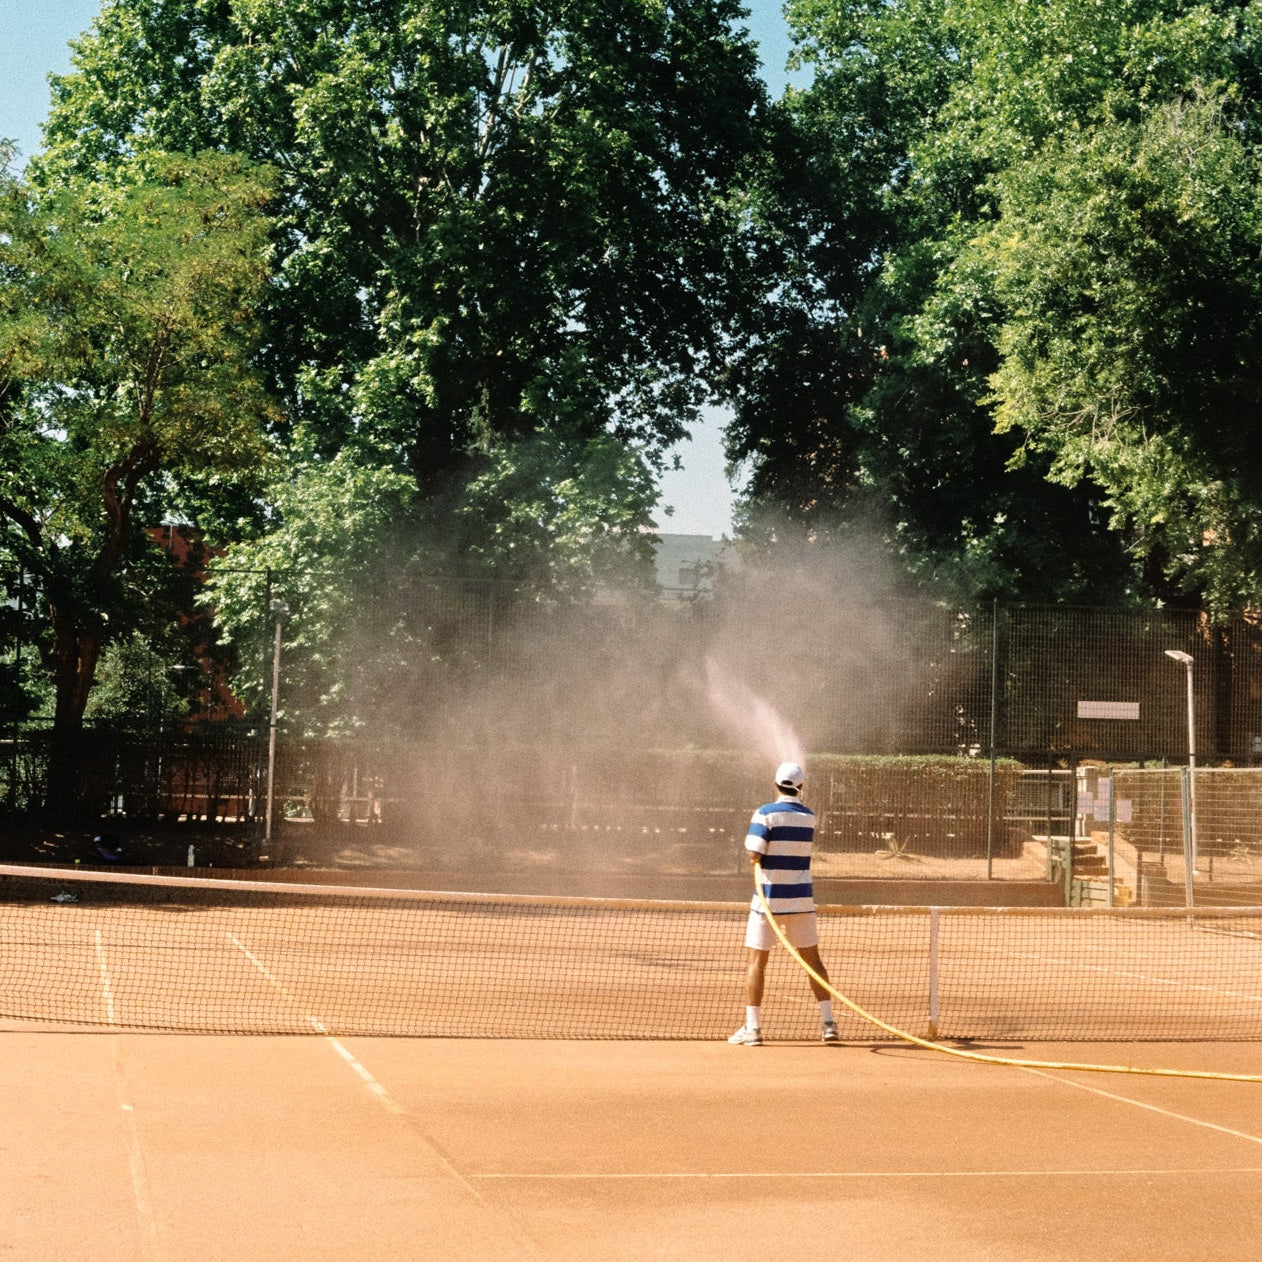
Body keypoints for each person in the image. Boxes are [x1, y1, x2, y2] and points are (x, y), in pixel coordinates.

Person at [728, 761, 839, 1046]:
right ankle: (829, 1025)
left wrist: (758, 852)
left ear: (775, 784)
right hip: (801, 900)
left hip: (768, 902)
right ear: (800, 787)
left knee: (756, 962)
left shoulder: (765, 813)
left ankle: (752, 1030)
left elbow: (754, 853)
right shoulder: (810, 816)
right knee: (814, 961)